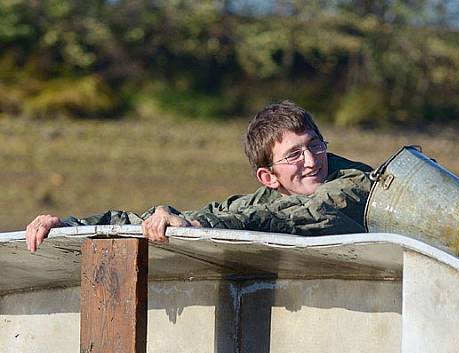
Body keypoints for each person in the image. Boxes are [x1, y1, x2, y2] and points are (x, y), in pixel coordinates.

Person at [26, 100, 373, 252]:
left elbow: (297, 216)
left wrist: (198, 225)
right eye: (294, 155)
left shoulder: (356, 185)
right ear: (268, 178)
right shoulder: (262, 200)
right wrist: (71, 226)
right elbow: (209, 216)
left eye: (315, 145)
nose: (312, 161)